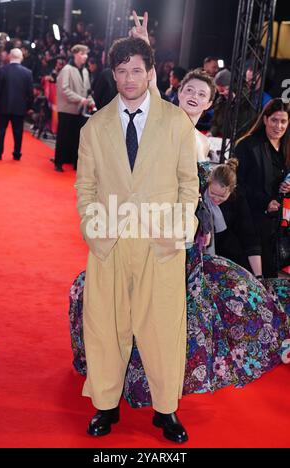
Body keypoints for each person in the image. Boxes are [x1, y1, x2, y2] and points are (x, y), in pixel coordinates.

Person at [75, 34, 199, 443]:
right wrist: (95, 232)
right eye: (121, 71)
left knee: (163, 329)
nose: (128, 79)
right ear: (113, 75)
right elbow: (85, 188)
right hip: (109, 242)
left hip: (159, 244)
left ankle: (167, 411)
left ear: (150, 73)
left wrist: (177, 233)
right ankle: (105, 406)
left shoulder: (176, 122)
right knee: (104, 326)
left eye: (136, 70)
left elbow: (189, 185)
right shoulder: (94, 127)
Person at [235, 98, 290, 278]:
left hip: (280, 226)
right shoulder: (248, 145)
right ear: (265, 119)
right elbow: (238, 186)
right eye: (274, 120)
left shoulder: (287, 146)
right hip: (252, 222)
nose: (278, 126)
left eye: (283, 121)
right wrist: (266, 202)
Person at [53, 44, 94, 172]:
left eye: (86, 54)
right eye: (82, 53)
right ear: (75, 54)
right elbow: (64, 89)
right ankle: (58, 162)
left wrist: (91, 101)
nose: (85, 56)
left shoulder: (86, 71)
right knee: (63, 136)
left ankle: (73, 162)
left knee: (77, 137)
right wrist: (80, 99)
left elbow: (87, 90)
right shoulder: (66, 69)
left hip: (80, 109)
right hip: (67, 108)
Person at [0, 48, 33, 161]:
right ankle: (17, 153)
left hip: (3, 106)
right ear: (21, 58)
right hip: (20, 107)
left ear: (10, 56)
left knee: (1, 130)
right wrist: (29, 107)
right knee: (18, 131)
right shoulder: (28, 73)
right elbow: (30, 92)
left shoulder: (2, 70)